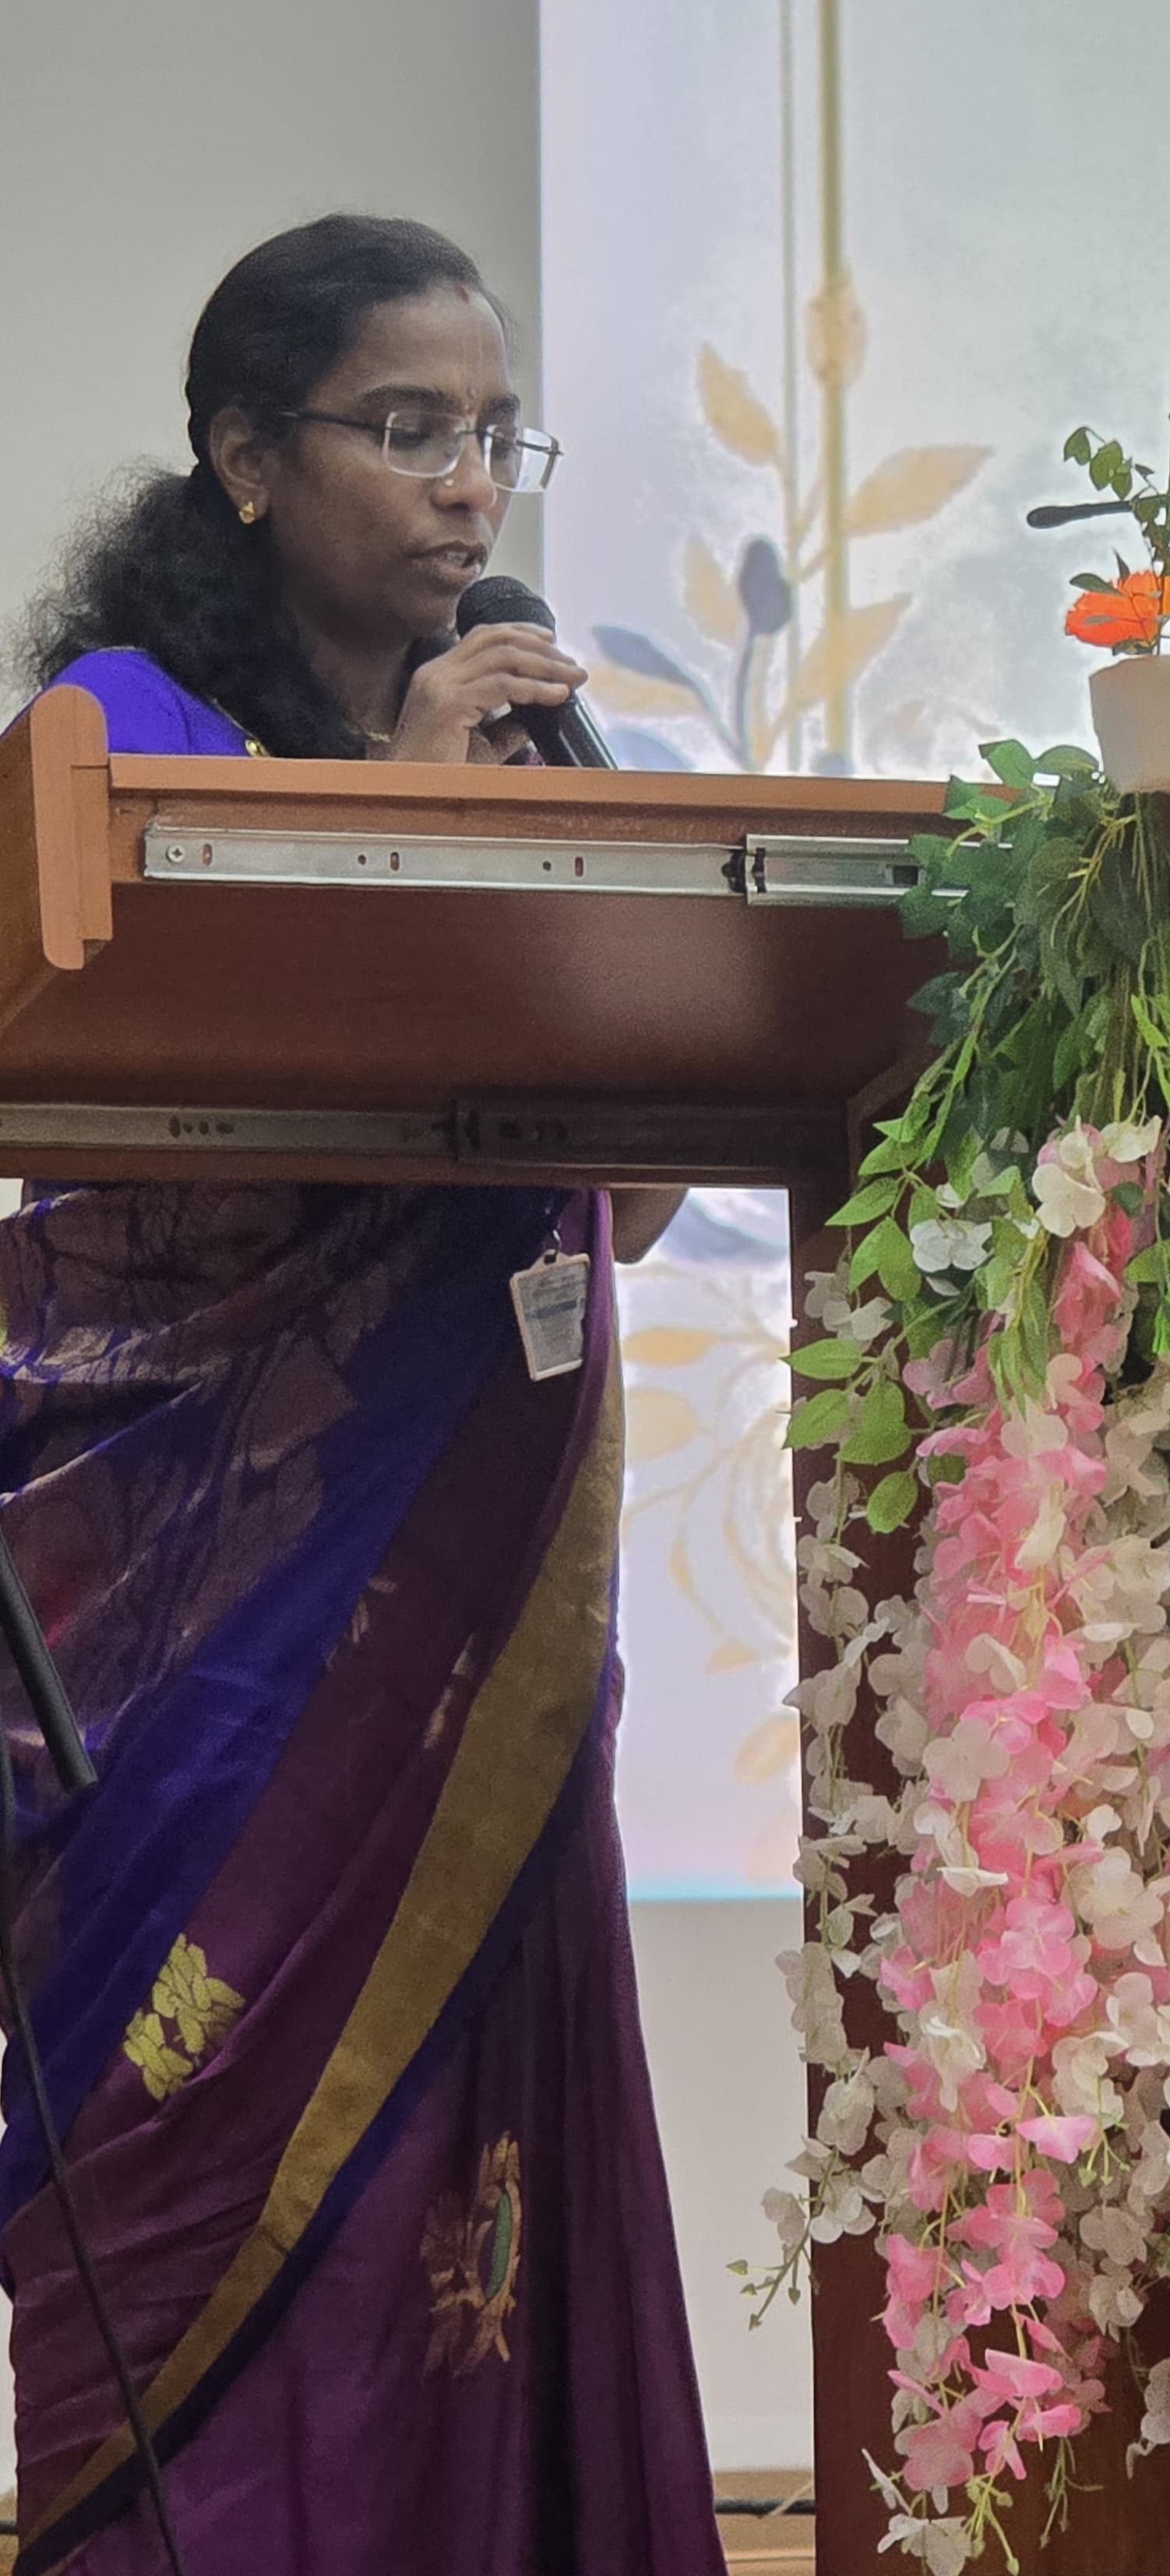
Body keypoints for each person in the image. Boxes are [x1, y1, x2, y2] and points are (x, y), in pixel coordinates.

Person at [0, 218, 724, 2572]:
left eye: (495, 435)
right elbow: (138, 1113)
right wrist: (410, 811)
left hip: (481, 1587)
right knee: (198, 2112)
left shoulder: (530, 730)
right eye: (408, 430)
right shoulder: (116, 728)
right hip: (195, 1616)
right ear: (243, 456)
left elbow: (629, 1193)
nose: (467, 486)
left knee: (464, 2187)